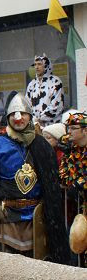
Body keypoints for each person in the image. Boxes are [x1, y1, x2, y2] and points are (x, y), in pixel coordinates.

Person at [0, 93, 70, 262]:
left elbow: (51, 186)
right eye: (13, 114)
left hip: (37, 221)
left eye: (22, 114)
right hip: (5, 219)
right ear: (7, 117)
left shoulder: (42, 145)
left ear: (29, 116)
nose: (17, 118)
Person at [59, 112, 87, 263]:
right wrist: (67, 153)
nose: (69, 132)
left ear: (85, 130)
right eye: (68, 128)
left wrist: (80, 183)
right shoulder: (73, 150)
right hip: (78, 207)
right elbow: (63, 175)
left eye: (73, 128)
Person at [26, 54, 65, 128]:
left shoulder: (55, 81)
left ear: (46, 65)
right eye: (35, 64)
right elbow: (27, 104)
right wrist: (33, 119)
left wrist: (40, 118)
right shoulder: (32, 84)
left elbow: (57, 105)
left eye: (39, 64)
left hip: (52, 126)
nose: (36, 67)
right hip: (35, 126)